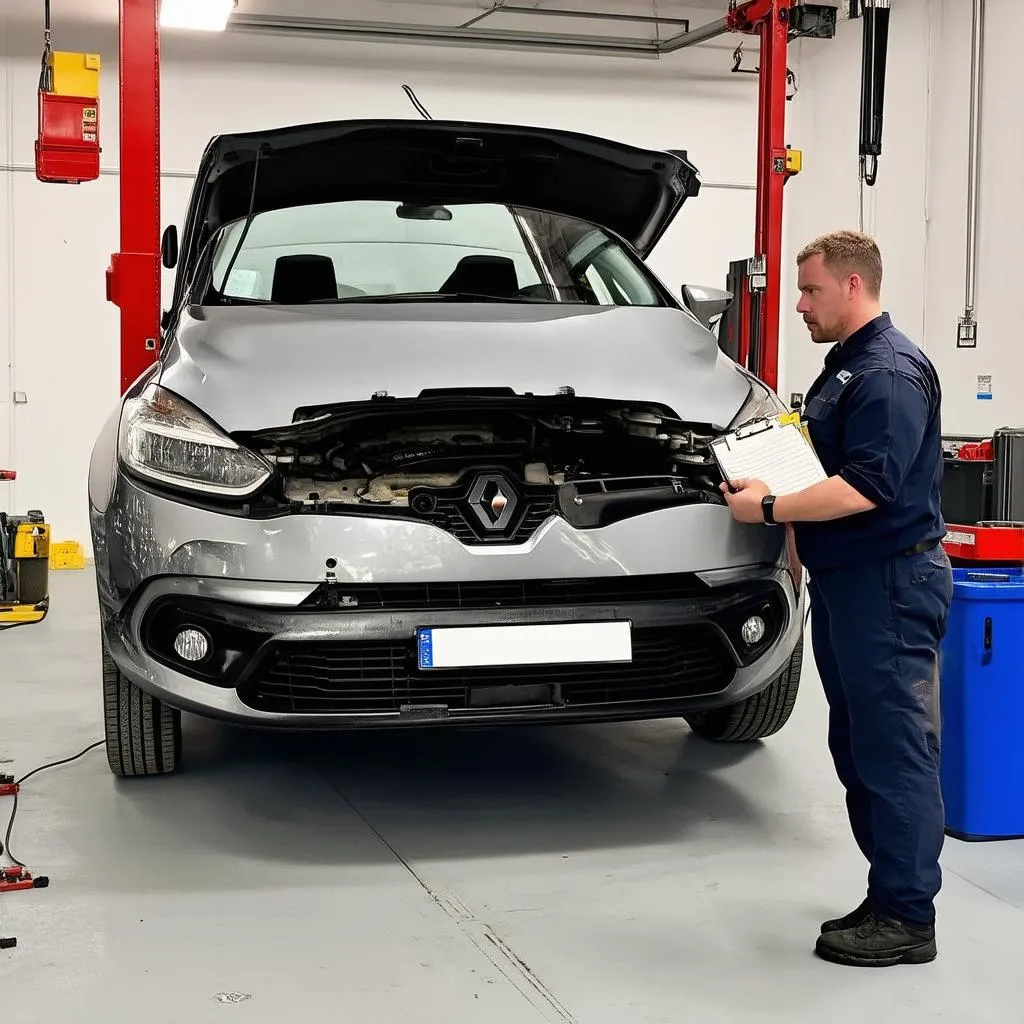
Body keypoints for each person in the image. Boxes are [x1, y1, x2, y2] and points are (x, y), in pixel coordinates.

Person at [721, 230, 953, 968]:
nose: (798, 304)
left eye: (811, 290)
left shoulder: (887, 374)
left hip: (889, 584)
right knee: (857, 747)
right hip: (852, 584)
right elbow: (818, 456)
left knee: (894, 753)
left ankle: (908, 917)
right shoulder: (845, 371)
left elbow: (866, 487)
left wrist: (768, 510)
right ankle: (889, 892)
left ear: (854, 287)